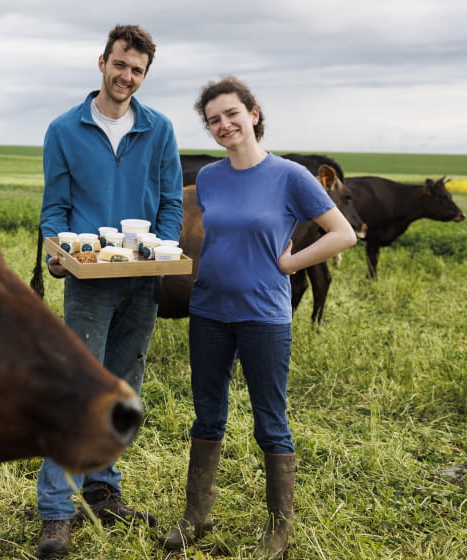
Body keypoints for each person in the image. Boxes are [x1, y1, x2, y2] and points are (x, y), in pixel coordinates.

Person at [160, 76, 356, 559]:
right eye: (213, 121)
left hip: (264, 315)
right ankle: (196, 514)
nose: (224, 125)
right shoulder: (208, 177)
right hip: (207, 310)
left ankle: (278, 527)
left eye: (231, 114)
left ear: (254, 114)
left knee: (270, 420)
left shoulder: (290, 176)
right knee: (207, 415)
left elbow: (343, 233)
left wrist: (289, 263)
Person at [36, 24, 183, 559]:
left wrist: (161, 251)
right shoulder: (63, 129)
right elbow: (55, 207)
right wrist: (58, 253)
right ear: (102, 62)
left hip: (142, 284)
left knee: (124, 390)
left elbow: (170, 204)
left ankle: (103, 490)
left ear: (145, 75)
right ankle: (55, 510)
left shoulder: (160, 130)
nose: (127, 77)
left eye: (137, 71)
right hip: (88, 282)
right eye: (120, 65)